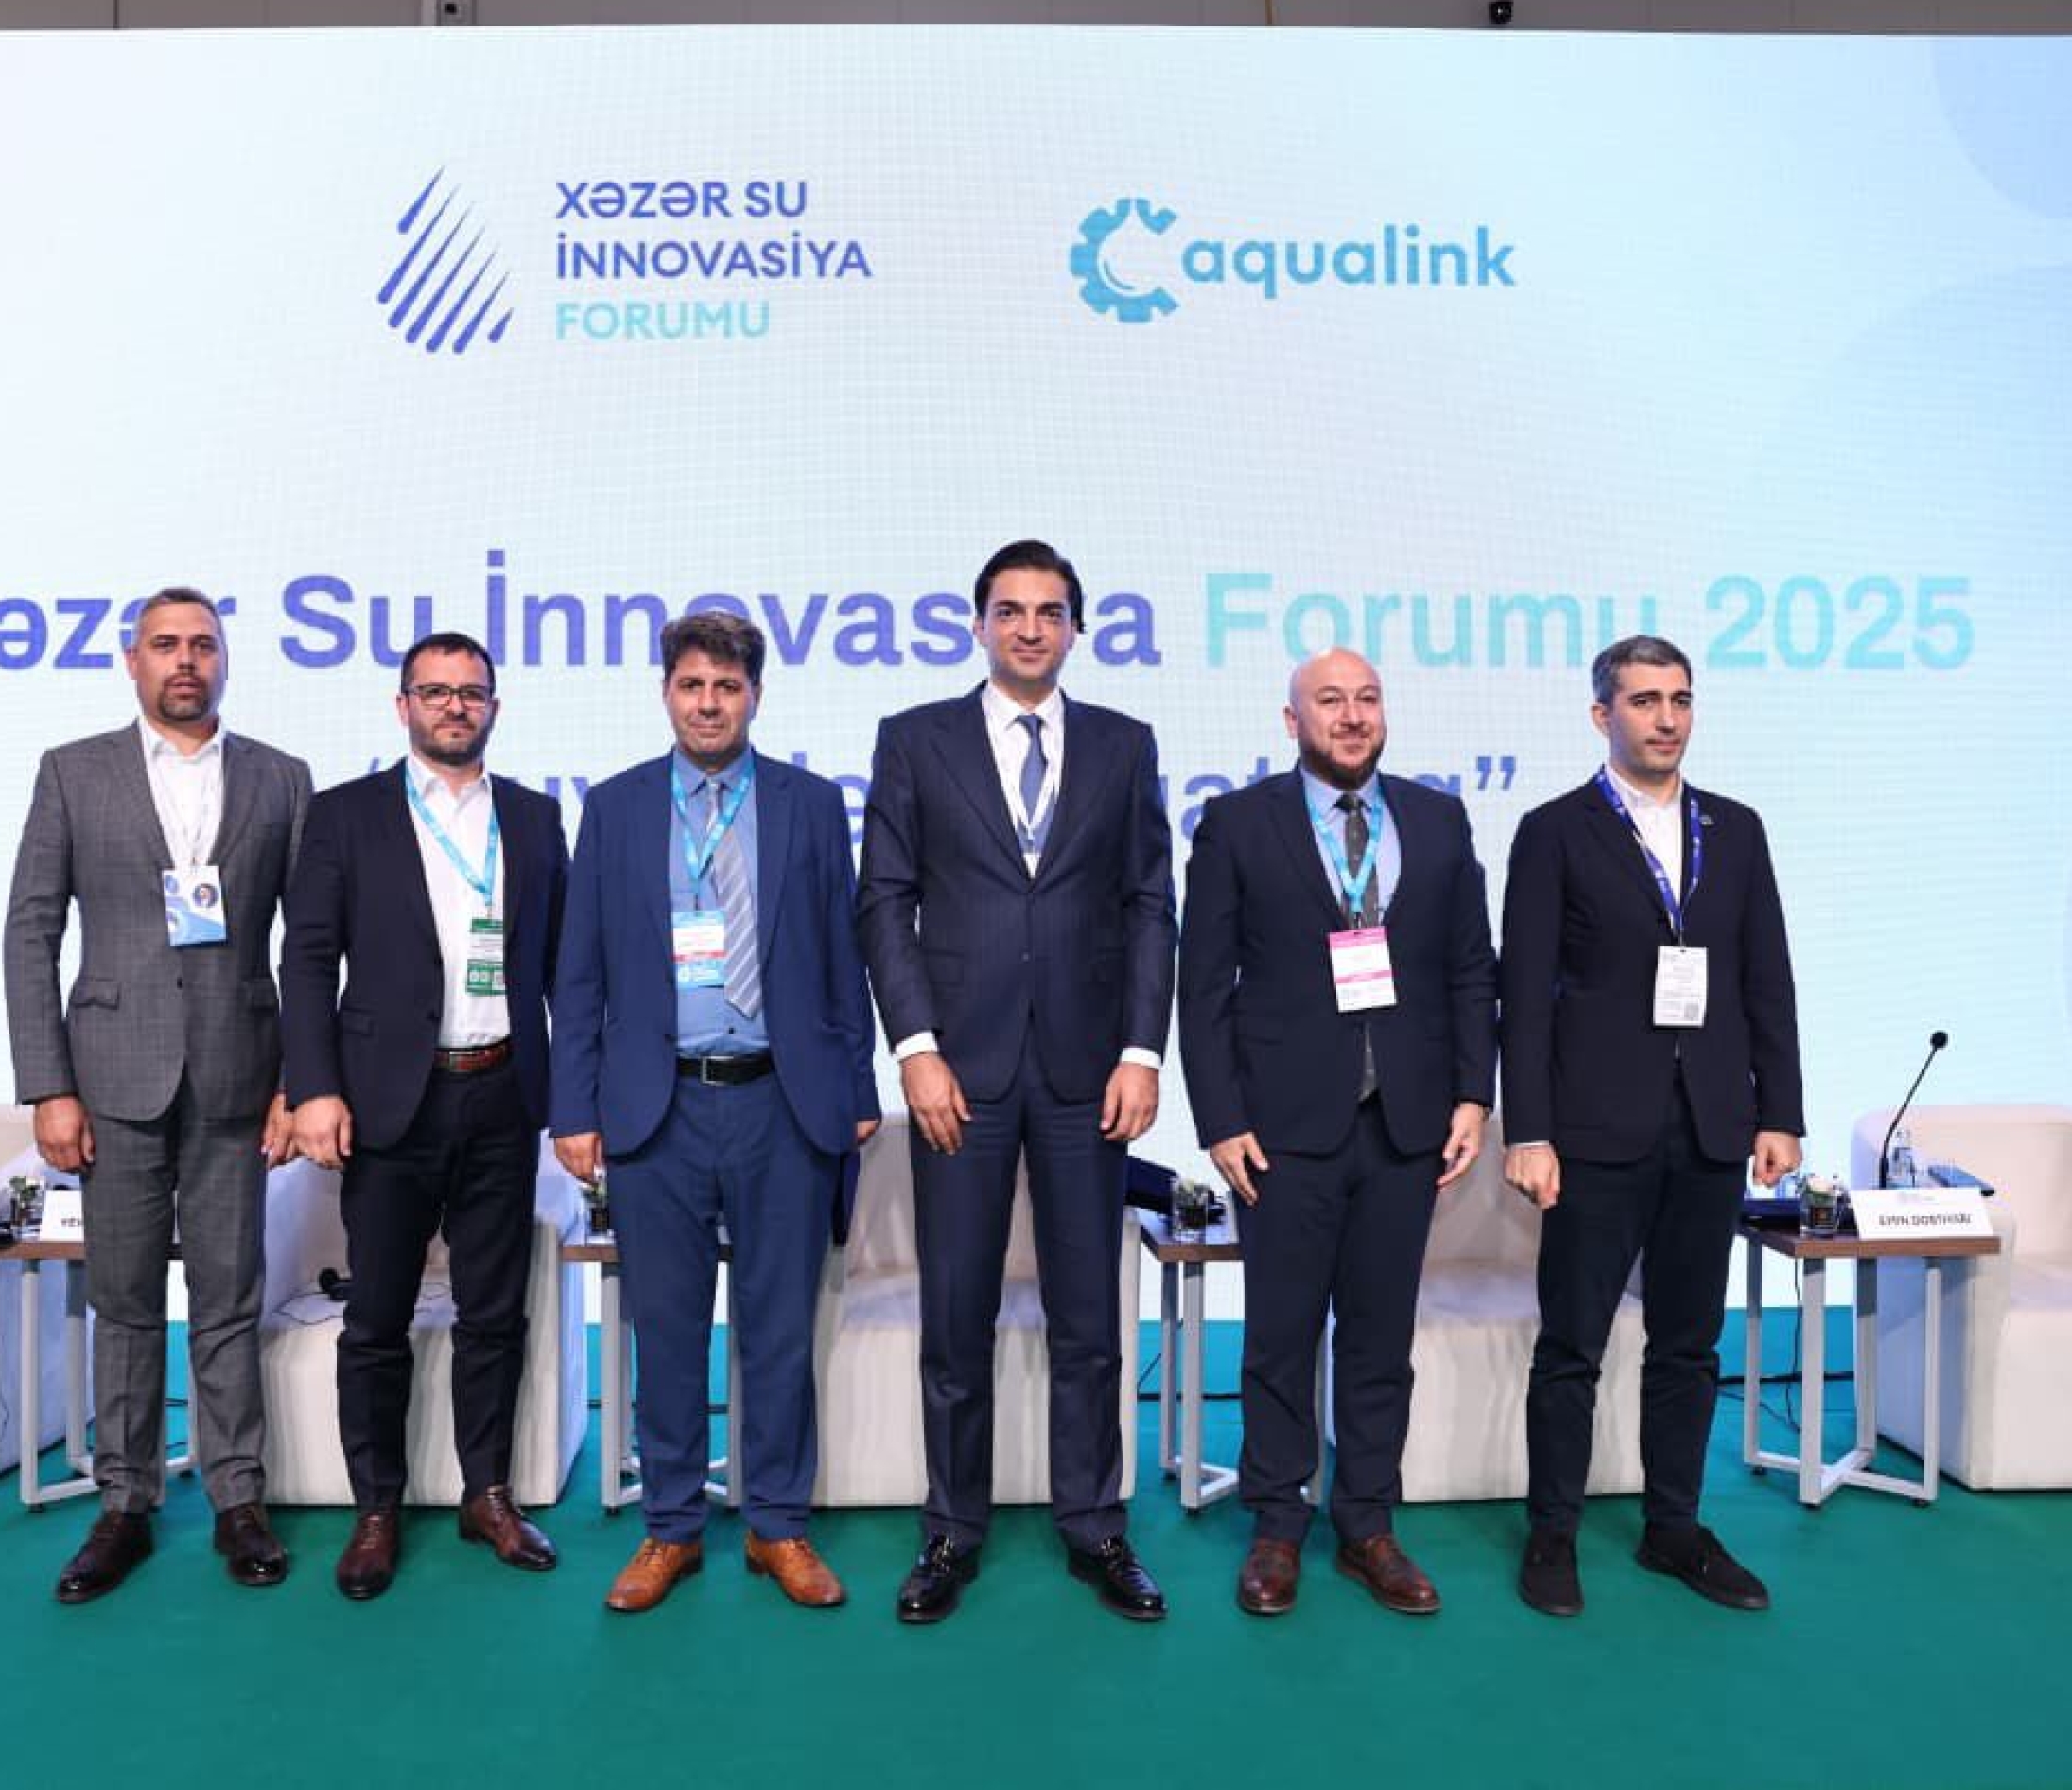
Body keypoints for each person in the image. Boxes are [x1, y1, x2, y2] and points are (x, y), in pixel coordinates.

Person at [857, 540, 1178, 1624]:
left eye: (1050, 611)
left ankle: (1097, 1527)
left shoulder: (1125, 744)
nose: (1031, 628)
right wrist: (916, 1046)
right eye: (1011, 610)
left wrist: (1143, 1050)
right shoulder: (915, 739)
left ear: (1077, 627)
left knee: (1090, 1319)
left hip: (1092, 1074)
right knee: (958, 1314)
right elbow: (884, 899)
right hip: (962, 1072)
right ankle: (952, 1529)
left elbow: (1149, 904)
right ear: (978, 624)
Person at [548, 610, 879, 1613]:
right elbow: (579, 969)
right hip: (657, 1108)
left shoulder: (808, 804)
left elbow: (843, 956)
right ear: (666, 692)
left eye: (727, 687)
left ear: (755, 696)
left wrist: (858, 1088)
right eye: (691, 685)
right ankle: (672, 1527)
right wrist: (574, 1106)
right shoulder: (614, 807)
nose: (708, 704)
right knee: (667, 1328)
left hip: (783, 1102)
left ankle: (777, 1523)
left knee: (778, 1328)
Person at [4, 586, 313, 1603]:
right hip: (111, 1079)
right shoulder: (73, 771)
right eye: (166, 644)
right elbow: (31, 930)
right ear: (131, 660)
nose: (186, 660)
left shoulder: (282, 778)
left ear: (225, 660)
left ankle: (237, 1498)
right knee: (126, 1301)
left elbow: (311, 946)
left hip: (238, 1078)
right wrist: (49, 1084)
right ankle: (125, 1503)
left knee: (228, 1298)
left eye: (203, 645)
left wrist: (298, 1082)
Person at [1176, 648, 1496, 1617]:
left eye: (1366, 698)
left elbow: (1471, 968)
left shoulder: (1438, 819)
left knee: (1379, 1338)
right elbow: (1204, 985)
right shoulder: (1238, 823)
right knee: (1278, 1337)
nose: (1352, 716)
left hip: (1406, 1125)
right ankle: (1278, 1525)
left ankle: (1367, 1525)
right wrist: (1221, 1119)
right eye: (1329, 701)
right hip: (1281, 1130)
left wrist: (1473, 1095)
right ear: (1293, 721)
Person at [1499, 634, 1803, 1617]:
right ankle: (1553, 1533)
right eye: (1643, 701)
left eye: (1679, 699)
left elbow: (1767, 976)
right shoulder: (1554, 831)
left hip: (1711, 1125)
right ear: (1603, 715)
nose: (1666, 718)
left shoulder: (1737, 829)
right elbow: (1523, 998)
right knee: (1573, 1344)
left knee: (1689, 1344)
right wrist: (1528, 1130)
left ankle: (1674, 1526)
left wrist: (1781, 1110)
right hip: (1593, 1129)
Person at [279, 632, 566, 1601]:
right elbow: (306, 960)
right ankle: (376, 1508)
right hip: (386, 1101)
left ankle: (488, 1493)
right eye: (435, 691)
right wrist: (313, 1086)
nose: (454, 706)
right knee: (376, 1318)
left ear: (494, 707)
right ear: (402, 706)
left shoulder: (534, 817)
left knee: (494, 1312)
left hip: (502, 1093)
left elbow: (563, 968)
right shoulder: (345, 815)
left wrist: (579, 1096)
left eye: (471, 692)